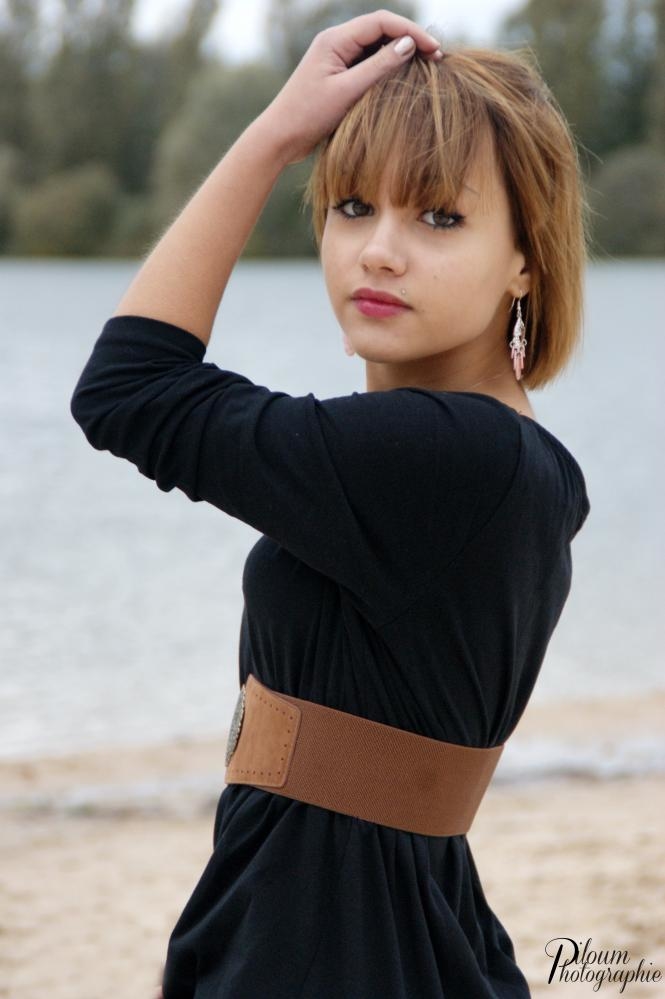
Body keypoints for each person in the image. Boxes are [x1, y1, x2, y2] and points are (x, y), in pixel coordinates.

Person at [70, 10, 591, 998]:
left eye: (439, 217)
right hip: (371, 914)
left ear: (525, 258)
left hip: (326, 937)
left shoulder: (448, 457)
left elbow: (127, 389)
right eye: (352, 206)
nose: (378, 251)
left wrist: (274, 135)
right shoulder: (513, 459)